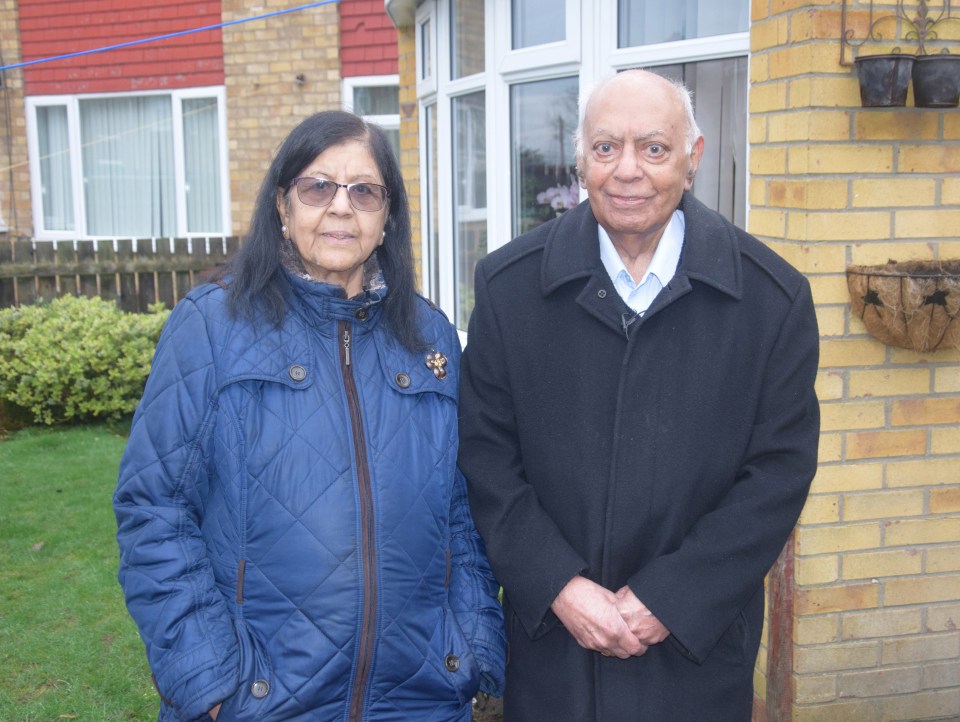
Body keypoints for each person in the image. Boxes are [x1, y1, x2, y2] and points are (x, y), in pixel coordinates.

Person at [114, 110, 506, 722]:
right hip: (258, 701)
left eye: (365, 191)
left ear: (388, 216)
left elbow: (461, 508)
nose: (341, 208)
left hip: (419, 699)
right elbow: (154, 508)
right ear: (282, 204)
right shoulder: (213, 326)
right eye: (317, 186)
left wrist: (473, 646)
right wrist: (211, 681)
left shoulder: (428, 337)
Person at [458, 69, 820, 721]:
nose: (627, 170)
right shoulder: (508, 290)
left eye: (653, 148)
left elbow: (778, 475)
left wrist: (671, 598)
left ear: (693, 157)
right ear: (581, 159)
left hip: (695, 655)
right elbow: (486, 459)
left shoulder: (773, 301)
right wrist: (560, 586)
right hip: (555, 655)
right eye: (605, 148)